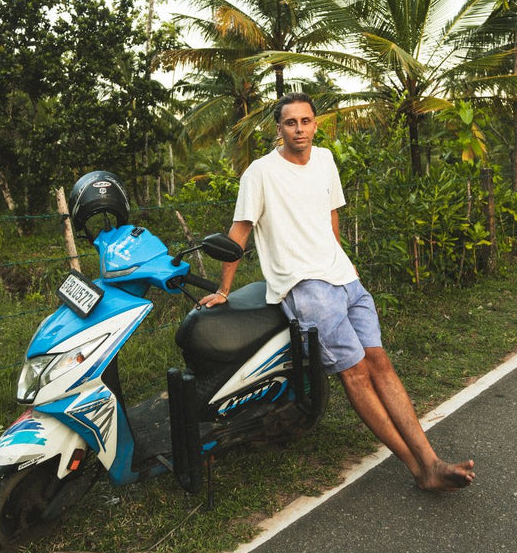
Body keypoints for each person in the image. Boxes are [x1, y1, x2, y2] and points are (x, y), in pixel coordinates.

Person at [199, 92, 475, 493]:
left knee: (380, 362)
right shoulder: (259, 173)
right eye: (291, 122)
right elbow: (239, 231)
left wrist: (344, 263)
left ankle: (431, 460)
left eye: (306, 121)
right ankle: (418, 469)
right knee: (356, 373)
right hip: (306, 286)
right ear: (279, 128)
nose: (300, 129)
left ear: (316, 124)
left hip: (345, 279)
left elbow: (331, 216)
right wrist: (224, 288)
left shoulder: (325, 160)